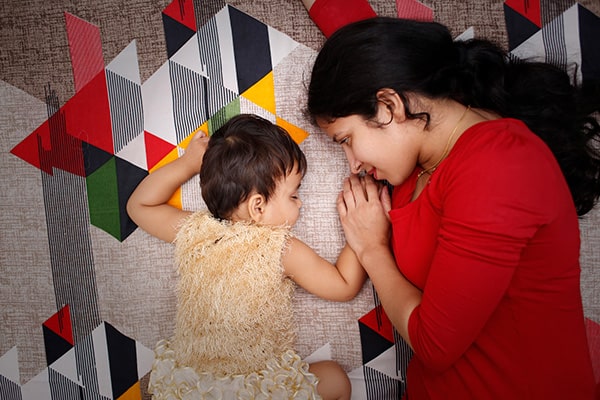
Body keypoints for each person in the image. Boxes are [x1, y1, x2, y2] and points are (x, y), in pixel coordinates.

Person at [305, 17, 600, 399]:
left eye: (346, 140)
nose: (353, 164)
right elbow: (369, 56)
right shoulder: (417, 153)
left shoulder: (498, 165)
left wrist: (371, 248)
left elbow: (434, 345)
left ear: (388, 106)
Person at [127, 114, 367, 400]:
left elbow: (139, 206)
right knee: (335, 379)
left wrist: (187, 165)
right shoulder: (279, 248)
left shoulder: (197, 232)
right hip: (254, 391)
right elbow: (343, 285)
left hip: (194, 389)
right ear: (258, 207)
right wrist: (362, 232)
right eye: (293, 195)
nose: (300, 203)